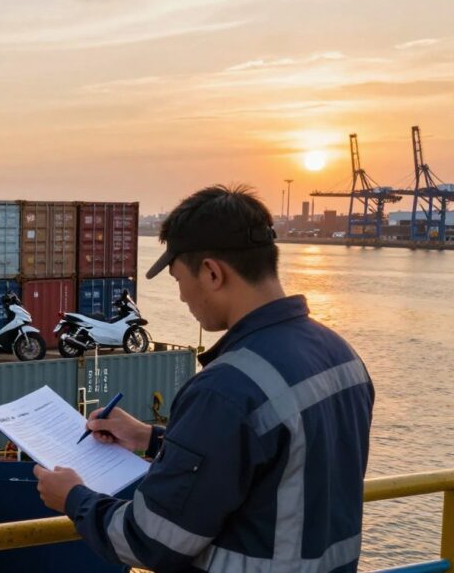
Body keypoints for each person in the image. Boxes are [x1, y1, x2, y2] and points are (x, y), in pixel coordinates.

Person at [34, 185, 374, 572]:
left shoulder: (226, 390)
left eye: (179, 281)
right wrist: (152, 439)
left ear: (212, 272)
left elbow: (148, 542)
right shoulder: (341, 355)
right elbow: (271, 466)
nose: (182, 298)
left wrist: (73, 499)